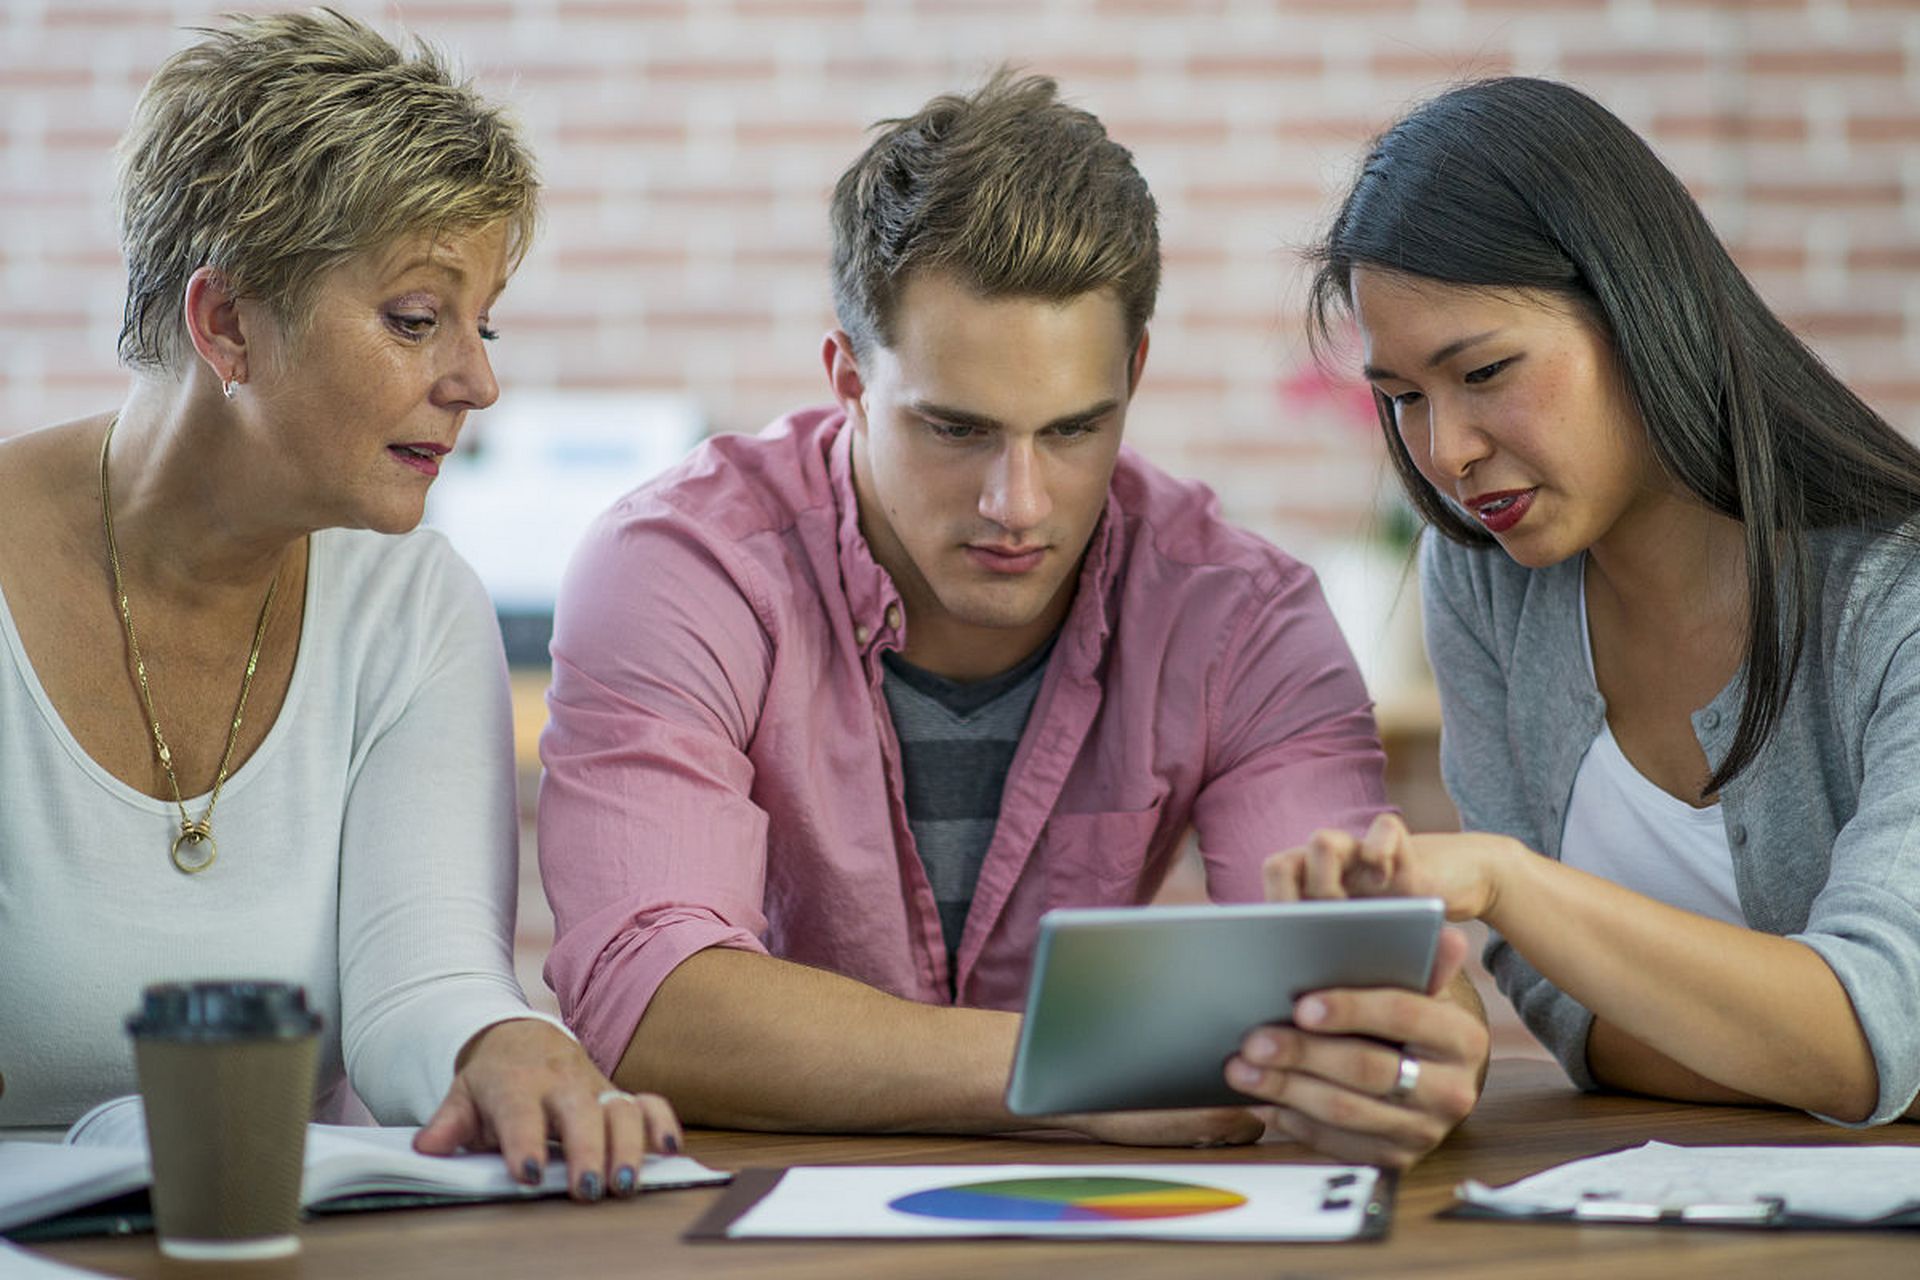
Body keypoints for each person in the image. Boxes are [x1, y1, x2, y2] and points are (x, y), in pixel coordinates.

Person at [537, 71, 1489, 1169]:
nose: (1019, 505)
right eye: (956, 429)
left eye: (1077, 430)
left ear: (1133, 375)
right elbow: (653, 1001)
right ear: (847, 375)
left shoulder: (1241, 614)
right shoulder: (680, 569)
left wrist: (1404, 1057)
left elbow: (1378, 977)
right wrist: (1078, 1065)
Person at [0, 10, 679, 1199]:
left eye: (482, 323)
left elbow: (422, 978)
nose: (476, 381)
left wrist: (499, 1043)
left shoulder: (413, 603)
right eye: (417, 321)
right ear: (225, 323)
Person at [1273, 75, 1920, 1125]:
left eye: (1484, 371)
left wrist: (1510, 878)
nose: (1448, 452)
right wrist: (1813, 1054)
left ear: (1636, 306)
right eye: (1402, 400)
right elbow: (1558, 1002)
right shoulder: (1483, 581)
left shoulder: (1896, 595)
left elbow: (1867, 1027)